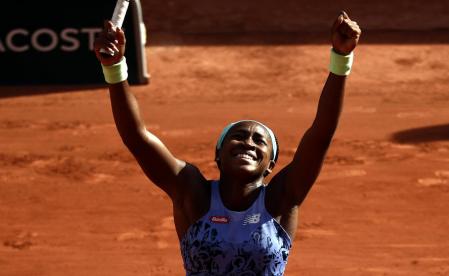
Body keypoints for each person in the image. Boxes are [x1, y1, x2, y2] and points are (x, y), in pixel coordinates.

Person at [94, 10, 361, 276]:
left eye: (260, 141)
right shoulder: (192, 192)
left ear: (270, 165)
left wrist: (341, 59)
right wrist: (114, 69)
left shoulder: (282, 198)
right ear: (218, 154)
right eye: (239, 136)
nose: (248, 143)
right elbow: (137, 139)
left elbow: (321, 133)